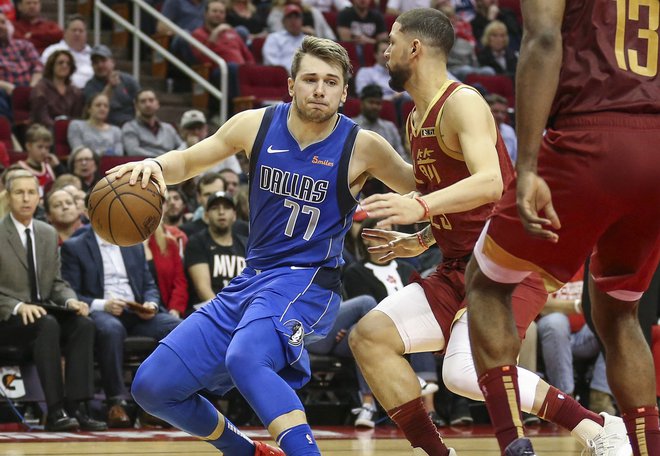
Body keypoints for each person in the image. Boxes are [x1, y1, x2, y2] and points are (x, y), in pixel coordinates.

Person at [111, 35, 415, 456]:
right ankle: (245, 450)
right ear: (291, 84)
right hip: (252, 278)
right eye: (310, 79)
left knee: (247, 358)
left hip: (308, 282)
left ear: (345, 92)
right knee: (152, 387)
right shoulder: (255, 124)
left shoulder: (363, 145)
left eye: (331, 81)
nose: (320, 89)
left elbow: (424, 189)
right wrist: (156, 165)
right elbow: (192, 159)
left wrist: (422, 234)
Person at [348, 8, 632, 456]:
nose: (385, 51)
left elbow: (490, 183)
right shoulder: (413, 118)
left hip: (509, 259)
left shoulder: (462, 101)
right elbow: (456, 203)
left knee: (462, 372)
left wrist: (418, 205)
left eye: (392, 40)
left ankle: (598, 427)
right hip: (459, 264)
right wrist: (419, 239)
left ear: (414, 48)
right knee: (369, 336)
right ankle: (435, 452)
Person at [464, 0, 660, 455]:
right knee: (619, 310)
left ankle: (514, 445)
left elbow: (544, 39)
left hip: (589, 136)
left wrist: (528, 165)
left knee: (487, 284)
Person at [0, 171, 106, 432]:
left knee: (83, 324)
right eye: (19, 192)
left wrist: (70, 302)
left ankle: (77, 407)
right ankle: (54, 410)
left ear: (39, 197)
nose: (26, 198)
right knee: (47, 324)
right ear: (8, 196)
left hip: (42, 314)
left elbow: (56, 283)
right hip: (8, 319)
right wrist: (17, 306)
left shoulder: (47, 233)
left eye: (31, 192)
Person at [60, 222, 181, 428]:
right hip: (101, 312)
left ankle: (159, 401)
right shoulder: (74, 246)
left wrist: (150, 304)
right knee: (111, 329)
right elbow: (71, 293)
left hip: (136, 313)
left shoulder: (133, 243)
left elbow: (149, 285)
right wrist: (103, 305)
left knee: (176, 327)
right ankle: (117, 403)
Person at [185, 190, 247, 312]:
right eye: (215, 208)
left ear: (234, 215)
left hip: (242, 309)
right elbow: (202, 289)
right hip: (208, 310)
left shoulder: (246, 244)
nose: (221, 212)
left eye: (227, 208)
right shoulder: (196, 242)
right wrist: (225, 313)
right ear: (206, 215)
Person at [83, 44, 140, 127]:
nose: (100, 65)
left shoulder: (128, 80)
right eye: (95, 62)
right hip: (105, 127)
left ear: (113, 62)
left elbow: (141, 103)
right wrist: (110, 87)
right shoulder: (90, 86)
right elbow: (97, 110)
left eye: (103, 60)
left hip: (132, 125)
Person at [0, 11, 43, 120]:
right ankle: (9, 131)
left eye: (3, 22)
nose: (0, 26)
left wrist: (31, 87)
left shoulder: (24, 45)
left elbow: (38, 67)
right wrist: (9, 87)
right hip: (4, 89)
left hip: (29, 87)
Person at [30, 49, 84, 129]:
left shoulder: (76, 92)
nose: (64, 66)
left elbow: (77, 118)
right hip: (45, 130)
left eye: (68, 64)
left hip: (70, 130)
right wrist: (59, 129)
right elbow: (41, 117)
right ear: (52, 66)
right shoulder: (41, 88)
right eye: (60, 63)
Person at [350, 84, 406, 160]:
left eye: (378, 103)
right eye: (371, 102)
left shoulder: (390, 127)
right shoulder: (350, 126)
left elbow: (401, 156)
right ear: (362, 103)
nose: (375, 107)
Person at [121, 89, 182, 157]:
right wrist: (161, 158)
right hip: (143, 165)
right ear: (136, 106)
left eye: (151, 100)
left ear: (157, 103)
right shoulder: (129, 127)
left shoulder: (169, 128)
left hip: (170, 165)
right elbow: (133, 151)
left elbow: (181, 148)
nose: (148, 104)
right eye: (143, 101)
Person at [41, 14, 93, 89]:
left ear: (86, 34)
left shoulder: (93, 54)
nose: (77, 34)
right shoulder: (52, 51)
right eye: (74, 30)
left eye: (81, 31)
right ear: (65, 33)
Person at [16, 123, 65, 196]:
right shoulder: (19, 168)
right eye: (40, 147)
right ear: (28, 146)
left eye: (47, 148)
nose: (44, 151)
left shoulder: (49, 167)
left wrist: (58, 167)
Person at [262, 5, 307, 73]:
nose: (293, 21)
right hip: (281, 78)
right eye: (289, 17)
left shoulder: (308, 40)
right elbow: (271, 62)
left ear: (302, 21)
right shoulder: (274, 38)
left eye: (296, 17)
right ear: (283, 22)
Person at [485, 93, 516, 163]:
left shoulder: (509, 131)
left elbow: (515, 157)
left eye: (503, 113)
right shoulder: (477, 130)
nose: (500, 116)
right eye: (495, 111)